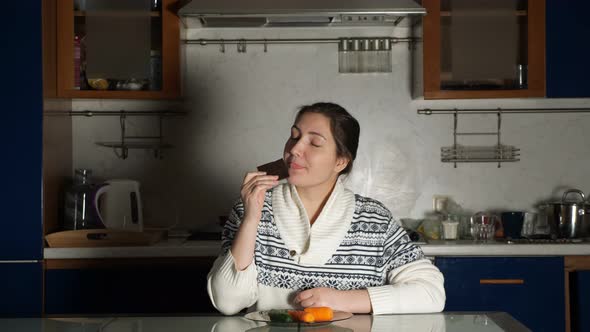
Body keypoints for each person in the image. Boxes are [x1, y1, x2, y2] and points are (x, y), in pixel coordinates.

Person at [207, 102, 445, 315]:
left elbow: (431, 293)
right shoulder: (251, 208)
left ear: (340, 161)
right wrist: (251, 220)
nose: (295, 149)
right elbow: (228, 302)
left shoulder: (374, 220)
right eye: (294, 137)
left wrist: (340, 299)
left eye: (315, 142)